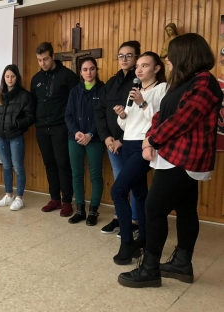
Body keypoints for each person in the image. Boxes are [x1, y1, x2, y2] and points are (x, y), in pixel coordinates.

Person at [119, 33, 223, 288]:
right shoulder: (182, 82)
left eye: (171, 55)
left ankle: (150, 269)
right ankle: (182, 264)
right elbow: (161, 115)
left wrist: (151, 140)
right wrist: (151, 136)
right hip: (172, 155)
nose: (167, 59)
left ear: (186, 55)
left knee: (153, 209)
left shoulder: (205, 82)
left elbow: (182, 120)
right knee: (186, 210)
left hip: (185, 157)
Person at [111, 51, 167, 265]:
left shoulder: (162, 89)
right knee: (139, 192)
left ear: (157, 68)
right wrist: (122, 115)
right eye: (138, 66)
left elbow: (158, 120)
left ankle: (127, 243)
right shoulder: (135, 91)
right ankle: (143, 237)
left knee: (118, 191)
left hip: (144, 145)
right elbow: (126, 125)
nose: (139, 69)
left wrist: (143, 103)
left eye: (145, 65)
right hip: (128, 142)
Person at [95, 41, 141, 237]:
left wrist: (120, 139)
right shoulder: (111, 83)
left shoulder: (139, 82)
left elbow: (139, 115)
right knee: (119, 181)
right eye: (121, 55)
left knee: (134, 182)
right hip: (111, 143)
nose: (124, 59)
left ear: (137, 58)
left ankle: (135, 221)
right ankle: (119, 217)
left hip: (130, 142)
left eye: (129, 56)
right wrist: (107, 138)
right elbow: (100, 112)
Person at [31, 42, 80, 216]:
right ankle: (55, 199)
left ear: (53, 57)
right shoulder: (36, 79)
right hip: (42, 128)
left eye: (45, 59)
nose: (42, 63)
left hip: (61, 127)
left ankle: (67, 201)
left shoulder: (67, 76)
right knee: (49, 164)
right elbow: (34, 103)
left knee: (63, 164)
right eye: (39, 60)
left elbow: (75, 102)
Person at [65, 57, 105, 225]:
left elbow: (103, 117)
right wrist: (76, 132)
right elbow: (68, 115)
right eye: (85, 69)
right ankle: (80, 209)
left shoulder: (103, 90)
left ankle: (93, 211)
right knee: (77, 174)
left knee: (95, 174)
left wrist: (90, 134)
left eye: (92, 69)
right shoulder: (75, 91)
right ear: (80, 72)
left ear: (96, 70)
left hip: (94, 139)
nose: (89, 72)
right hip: (75, 139)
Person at [0, 64, 35, 211]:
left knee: (18, 167)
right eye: (7, 76)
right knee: (6, 167)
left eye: (13, 76)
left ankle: (19, 198)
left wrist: (16, 124)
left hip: (15, 136)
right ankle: (8, 195)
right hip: (0, 136)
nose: (10, 79)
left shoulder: (24, 95)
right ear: (4, 78)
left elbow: (30, 117)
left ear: (17, 78)